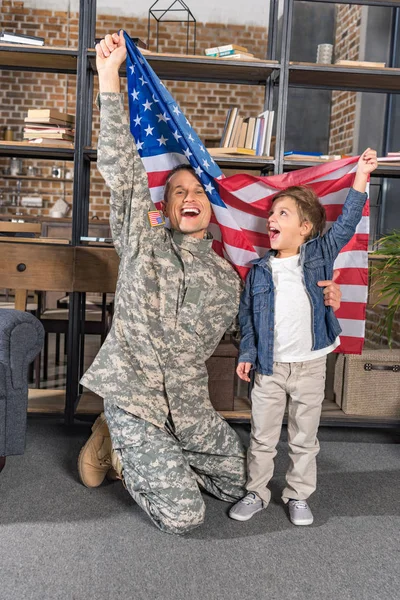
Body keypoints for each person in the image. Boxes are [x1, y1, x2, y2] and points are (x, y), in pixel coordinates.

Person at [77, 31, 343, 534]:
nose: (189, 196)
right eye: (178, 191)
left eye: (199, 189)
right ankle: (118, 437)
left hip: (190, 405)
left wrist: (321, 299)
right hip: (134, 396)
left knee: (245, 483)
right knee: (184, 514)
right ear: (168, 206)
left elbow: (271, 318)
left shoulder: (230, 278)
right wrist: (109, 78)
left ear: (213, 210)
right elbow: (121, 168)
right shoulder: (142, 241)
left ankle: (152, 454)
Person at [229, 148, 377, 526]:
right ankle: (257, 491)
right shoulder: (258, 270)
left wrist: (360, 176)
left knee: (304, 437)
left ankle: (297, 495)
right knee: (262, 436)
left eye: (283, 214)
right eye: (271, 214)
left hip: (310, 364)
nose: (271, 219)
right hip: (269, 366)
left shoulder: (318, 256)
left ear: (305, 228)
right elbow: (247, 317)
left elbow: (345, 224)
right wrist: (247, 352)